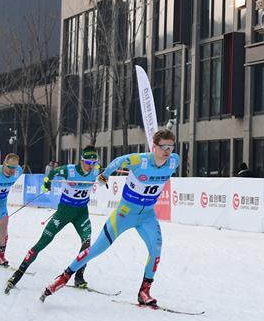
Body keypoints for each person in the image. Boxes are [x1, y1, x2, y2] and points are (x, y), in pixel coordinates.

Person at [40, 129, 180, 306]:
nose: (168, 151)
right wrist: (104, 175)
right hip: (125, 214)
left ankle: (144, 291)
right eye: (163, 147)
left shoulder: (174, 160)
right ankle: (65, 276)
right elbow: (116, 162)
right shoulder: (140, 160)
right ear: (154, 147)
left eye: (171, 147)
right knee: (97, 248)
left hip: (147, 216)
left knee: (156, 249)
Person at [4, 146, 101, 294]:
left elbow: (106, 172)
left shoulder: (96, 170)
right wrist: (47, 183)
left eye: (94, 163)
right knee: (43, 242)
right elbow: (53, 172)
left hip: (82, 212)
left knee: (87, 243)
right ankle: (18, 273)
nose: (91, 166)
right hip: (64, 212)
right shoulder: (69, 170)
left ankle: (79, 276)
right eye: (88, 162)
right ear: (82, 160)